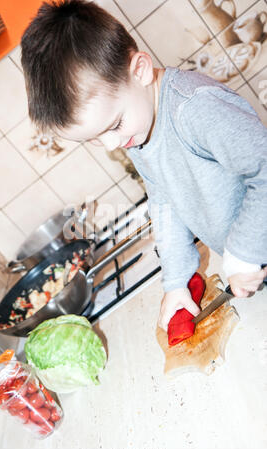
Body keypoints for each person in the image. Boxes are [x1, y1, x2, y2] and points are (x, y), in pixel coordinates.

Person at [20, 0, 267, 332]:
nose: (110, 144)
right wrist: (176, 281)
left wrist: (243, 251)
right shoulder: (138, 129)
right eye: (93, 138)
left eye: (114, 124)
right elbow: (165, 203)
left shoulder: (193, 110)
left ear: (139, 70)